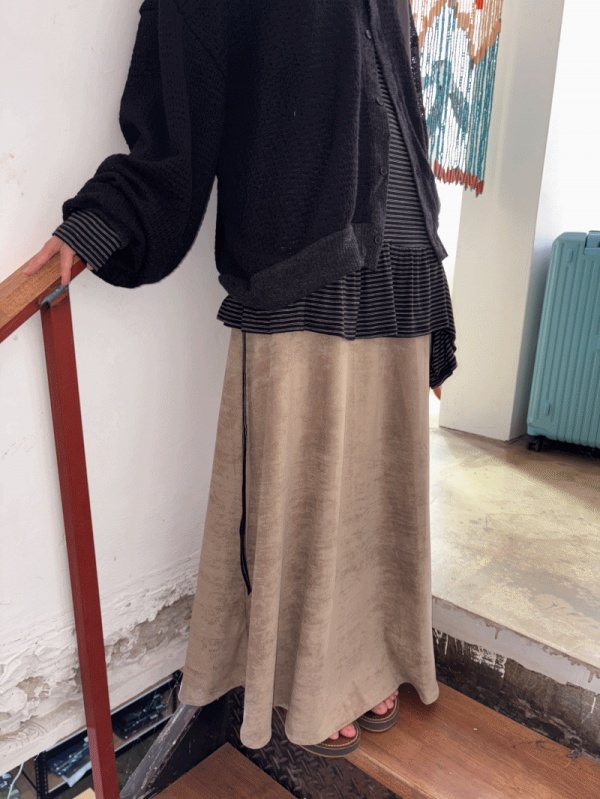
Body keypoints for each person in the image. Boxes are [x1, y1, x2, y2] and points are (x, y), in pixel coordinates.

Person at [25, 0, 456, 757]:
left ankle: (372, 656)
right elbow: (179, 98)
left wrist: (438, 294)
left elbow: (405, 111)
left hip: (407, 253)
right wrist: (104, 219)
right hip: (306, 251)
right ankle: (314, 679)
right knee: (308, 488)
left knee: (377, 488)